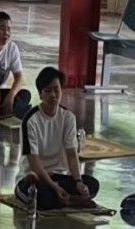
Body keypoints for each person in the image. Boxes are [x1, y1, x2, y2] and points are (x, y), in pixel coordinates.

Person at [14, 67, 99, 211]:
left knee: (92, 185)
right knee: (41, 198)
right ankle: (71, 201)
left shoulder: (68, 118)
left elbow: (72, 154)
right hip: (35, 177)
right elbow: (34, 163)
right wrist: (54, 187)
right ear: (40, 94)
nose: (53, 95)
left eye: (56, 90)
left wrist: (78, 181)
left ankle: (65, 198)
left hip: (58, 176)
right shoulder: (30, 120)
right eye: (48, 91)